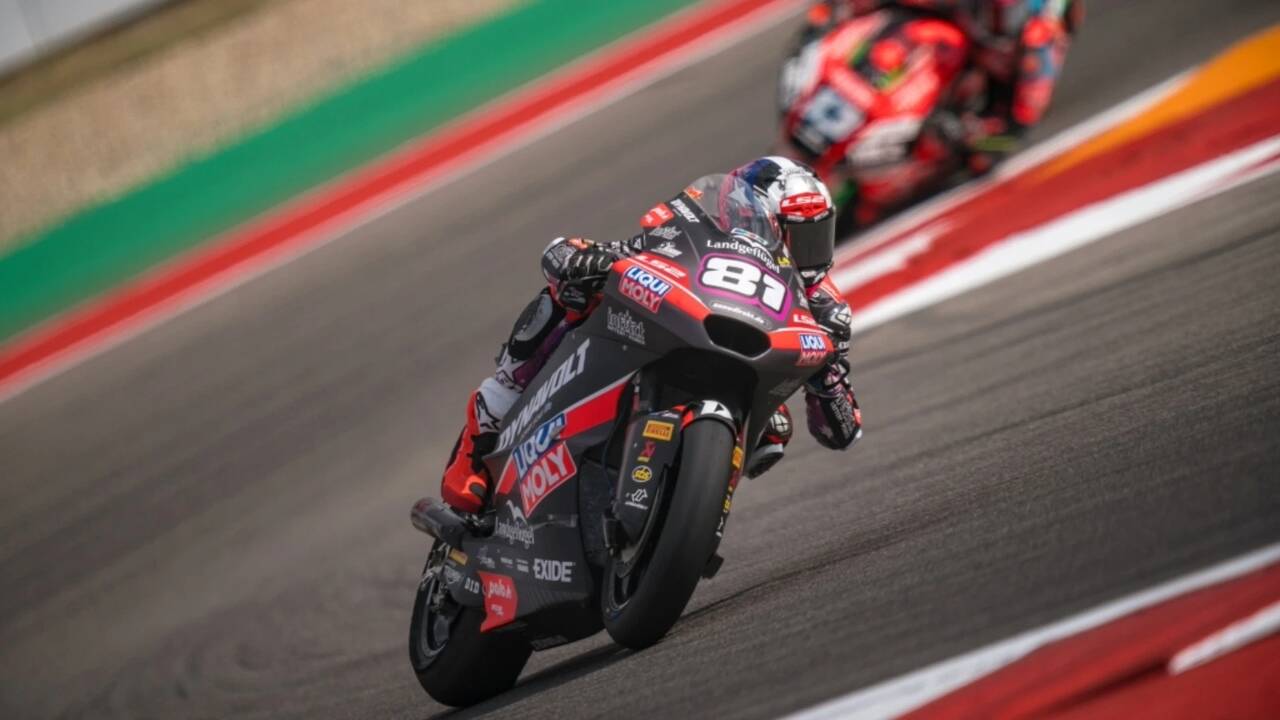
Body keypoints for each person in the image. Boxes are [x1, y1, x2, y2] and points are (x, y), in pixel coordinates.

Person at [439, 157, 863, 514]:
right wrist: (587, 261)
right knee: (570, 292)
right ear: (751, 216)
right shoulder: (696, 233)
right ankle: (486, 420)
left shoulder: (826, 308)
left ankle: (689, 504)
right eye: (797, 237)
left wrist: (829, 376)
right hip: (674, 333)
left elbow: (840, 433)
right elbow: (563, 253)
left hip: (745, 374)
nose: (809, 256)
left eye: (816, 237)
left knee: (776, 428)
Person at [810, 0, 1083, 169]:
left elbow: (1018, 125)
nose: (994, 23)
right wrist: (837, 11)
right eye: (988, 11)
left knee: (981, 159)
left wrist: (968, 133)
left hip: (984, 97)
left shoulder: (1037, 48)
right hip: (947, 36)